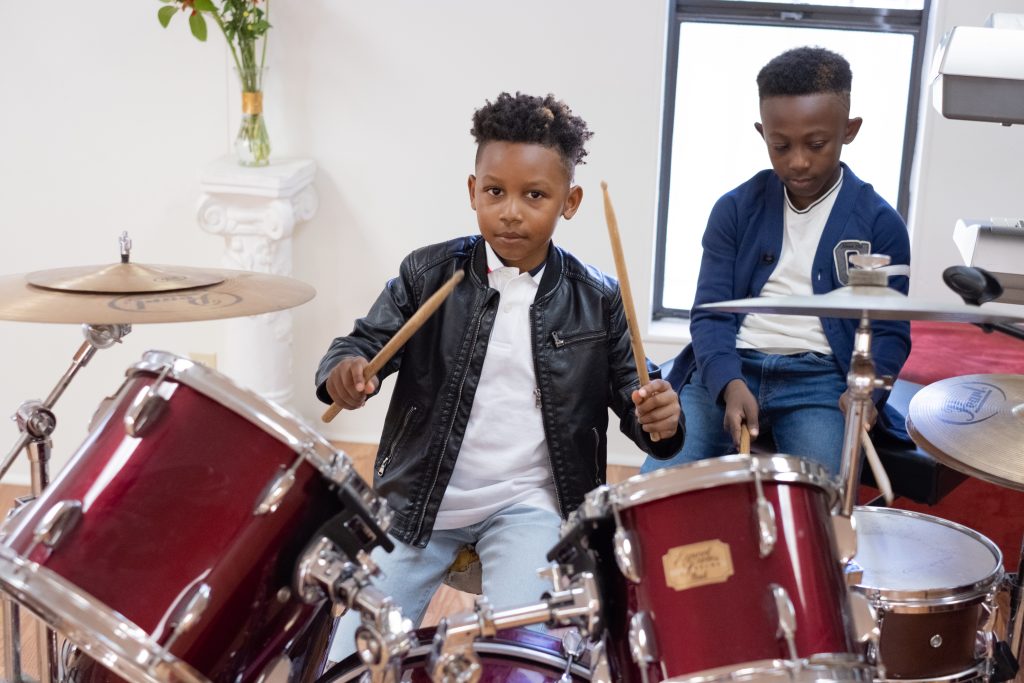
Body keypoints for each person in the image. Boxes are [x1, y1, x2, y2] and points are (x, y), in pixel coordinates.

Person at [316, 91, 684, 659]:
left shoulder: (597, 299)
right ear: (473, 191)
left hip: (530, 506)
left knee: (528, 657)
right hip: (420, 503)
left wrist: (661, 418)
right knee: (351, 660)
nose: (511, 211)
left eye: (534, 195)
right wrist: (344, 371)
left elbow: (640, 400)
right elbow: (360, 345)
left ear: (570, 201)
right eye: (495, 192)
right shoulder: (426, 273)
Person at [642, 46, 910, 478]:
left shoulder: (880, 224)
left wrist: (867, 396)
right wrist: (728, 384)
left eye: (816, 144)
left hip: (820, 382)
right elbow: (710, 316)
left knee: (822, 497)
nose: (798, 161)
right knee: (659, 488)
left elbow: (889, 333)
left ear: (850, 130)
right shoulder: (734, 210)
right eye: (780, 146)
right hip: (732, 364)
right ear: (762, 132)